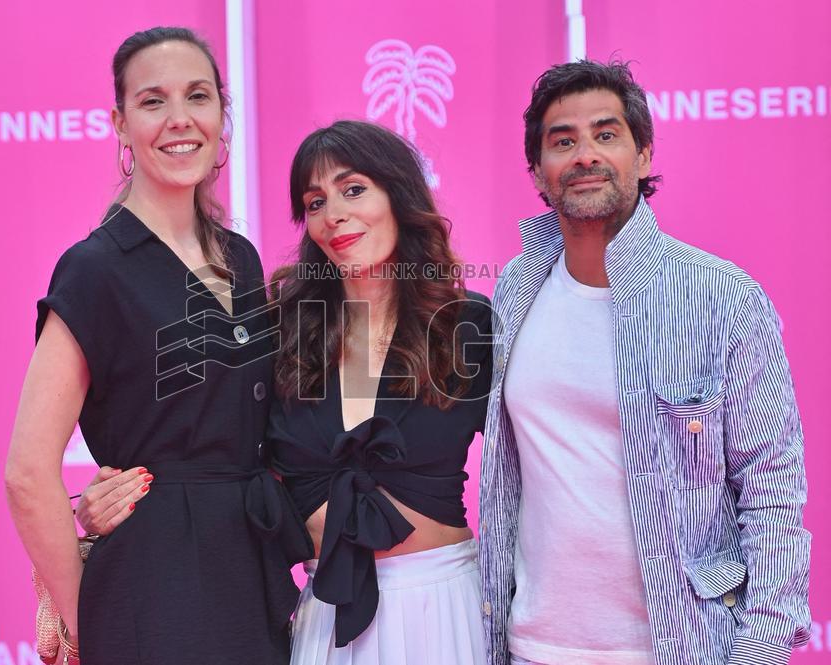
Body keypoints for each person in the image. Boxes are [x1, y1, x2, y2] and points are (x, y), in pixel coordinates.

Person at [79, 120, 495, 664]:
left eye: (353, 190)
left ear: (399, 195)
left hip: (442, 608)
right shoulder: (285, 330)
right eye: (315, 201)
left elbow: (533, 470)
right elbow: (209, 455)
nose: (334, 214)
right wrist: (111, 503)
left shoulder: (468, 326)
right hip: (326, 615)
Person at [478, 60, 811, 665]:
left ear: (645, 155)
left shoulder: (722, 298)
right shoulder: (515, 290)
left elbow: (771, 488)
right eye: (563, 141)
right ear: (537, 171)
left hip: (678, 645)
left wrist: (761, 649)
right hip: (532, 645)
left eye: (606, 135)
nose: (585, 155)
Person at [5, 27, 308, 665]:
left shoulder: (242, 259)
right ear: (119, 123)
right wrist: (91, 615)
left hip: (251, 580)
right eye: (152, 101)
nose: (179, 120)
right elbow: (28, 474)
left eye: (198, 97)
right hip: (151, 593)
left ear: (222, 113)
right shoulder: (94, 269)